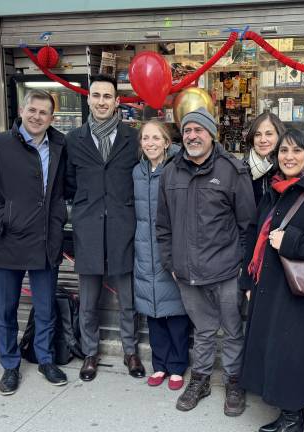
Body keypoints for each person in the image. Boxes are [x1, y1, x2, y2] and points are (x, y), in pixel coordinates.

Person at [240, 128, 304, 432]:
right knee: (277, 352)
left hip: (299, 294)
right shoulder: (274, 190)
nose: (289, 157)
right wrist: (248, 282)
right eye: (284, 151)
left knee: (293, 355)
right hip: (270, 288)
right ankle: (286, 412)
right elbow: (253, 233)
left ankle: (293, 419)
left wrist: (291, 241)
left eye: (297, 151)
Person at [0, 89, 68, 395]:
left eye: (44, 113)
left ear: (52, 118)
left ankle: (46, 359)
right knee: (7, 309)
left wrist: (58, 217)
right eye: (33, 110)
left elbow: (65, 188)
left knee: (45, 307)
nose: (37, 117)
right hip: (8, 241)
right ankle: (10, 365)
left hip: (45, 241)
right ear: (23, 111)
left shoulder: (61, 145)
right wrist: (5, 217)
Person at [156, 107, 255, 416]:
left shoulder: (231, 170)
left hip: (225, 271)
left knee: (232, 330)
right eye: (187, 130)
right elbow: (163, 225)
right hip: (186, 273)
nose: (192, 135)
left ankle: (234, 382)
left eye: (199, 130)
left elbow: (247, 224)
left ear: (212, 134)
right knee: (202, 330)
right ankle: (200, 381)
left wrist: (239, 264)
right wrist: (172, 262)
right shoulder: (171, 171)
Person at [65, 74, 145, 382]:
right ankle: (89, 353)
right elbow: (69, 184)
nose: (101, 101)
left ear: (116, 101)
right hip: (88, 230)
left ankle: (130, 351)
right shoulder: (74, 139)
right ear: (88, 99)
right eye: (96, 95)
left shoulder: (132, 138)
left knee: (127, 300)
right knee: (89, 301)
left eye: (107, 96)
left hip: (124, 228)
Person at [133, 120, 190, 391]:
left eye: (156, 138)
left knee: (176, 312)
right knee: (153, 312)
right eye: (146, 138)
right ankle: (160, 364)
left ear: (167, 142)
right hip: (144, 250)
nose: (150, 143)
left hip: (171, 249)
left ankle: (178, 366)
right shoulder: (136, 172)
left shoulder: (178, 169)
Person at [243, 112, 286, 205]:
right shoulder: (242, 169)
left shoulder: (287, 168)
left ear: (279, 136)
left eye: (269, 134)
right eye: (258, 134)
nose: (263, 140)